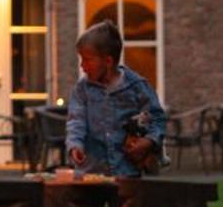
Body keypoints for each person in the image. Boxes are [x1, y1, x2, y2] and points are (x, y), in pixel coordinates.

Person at [64, 20, 166, 177]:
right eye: (81, 59)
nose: (82, 65)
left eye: (88, 59)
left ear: (108, 61)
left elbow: (157, 118)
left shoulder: (137, 87)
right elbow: (76, 120)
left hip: (127, 172)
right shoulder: (82, 89)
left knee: (128, 201)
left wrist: (148, 142)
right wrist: (75, 145)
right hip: (91, 173)